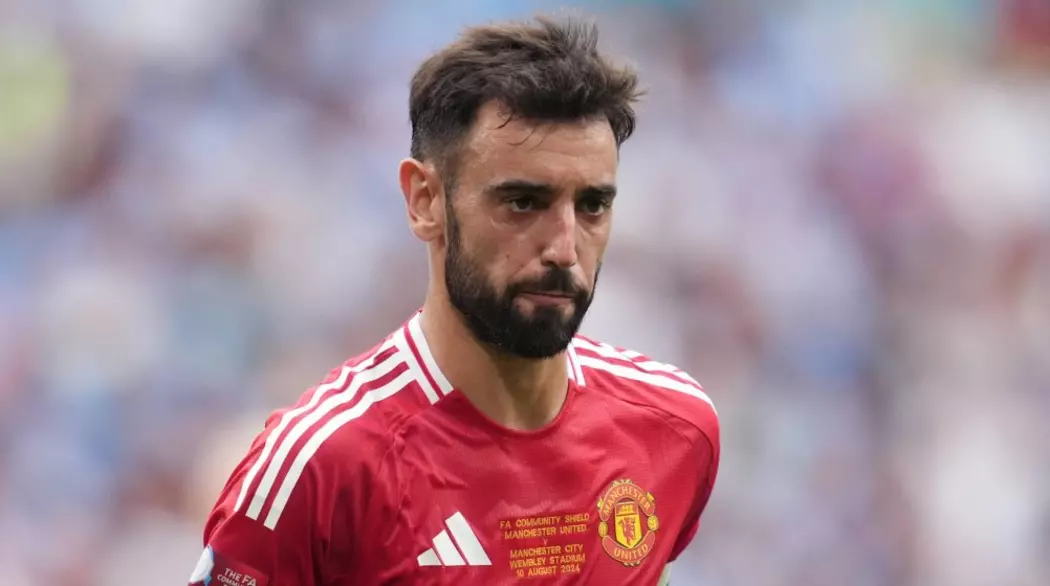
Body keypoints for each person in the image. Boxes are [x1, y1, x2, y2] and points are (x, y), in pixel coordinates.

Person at [189, 15, 719, 586]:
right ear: (425, 201)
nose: (564, 249)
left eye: (592, 206)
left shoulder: (674, 428)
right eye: (522, 203)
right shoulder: (321, 467)